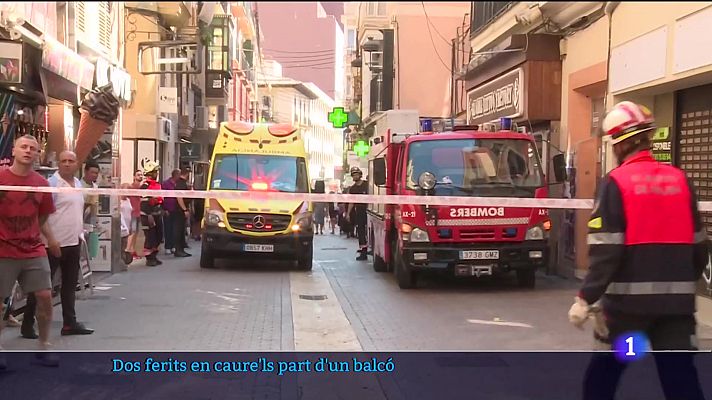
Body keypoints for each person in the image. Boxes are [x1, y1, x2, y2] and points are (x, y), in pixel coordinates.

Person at [568, 101, 707, 399]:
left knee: (603, 378)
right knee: (680, 380)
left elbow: (606, 251)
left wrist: (586, 298)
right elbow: (699, 247)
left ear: (618, 145)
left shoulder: (616, 183)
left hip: (627, 315)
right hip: (676, 313)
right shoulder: (681, 180)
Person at [0, 135, 60, 368]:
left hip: (32, 248)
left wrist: (49, 239)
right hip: (3, 249)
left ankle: (44, 345)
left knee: (45, 297)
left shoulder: (41, 184)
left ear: (37, 154)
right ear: (13, 151)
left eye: (32, 149)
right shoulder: (2, 179)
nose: (27, 151)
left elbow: (43, 216)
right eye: (23, 147)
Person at [23, 150, 94, 338]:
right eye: (64, 161)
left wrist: (80, 233)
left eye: (71, 160)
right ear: (59, 164)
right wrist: (51, 239)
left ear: (77, 163)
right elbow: (42, 215)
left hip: (73, 242)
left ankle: (69, 323)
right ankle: (28, 323)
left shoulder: (78, 183)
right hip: (52, 244)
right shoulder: (52, 184)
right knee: (41, 286)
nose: (67, 164)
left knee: (69, 284)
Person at [140, 161, 164, 267]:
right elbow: (144, 202)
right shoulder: (145, 186)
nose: (157, 174)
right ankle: (149, 258)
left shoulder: (156, 185)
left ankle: (154, 256)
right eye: (155, 172)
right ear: (150, 173)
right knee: (150, 237)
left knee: (158, 236)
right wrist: (149, 215)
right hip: (148, 215)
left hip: (157, 214)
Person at [346, 167, 368, 261]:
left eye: (356, 174)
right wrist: (348, 214)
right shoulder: (353, 189)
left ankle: (369, 247)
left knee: (368, 231)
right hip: (359, 212)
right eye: (353, 175)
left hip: (368, 211)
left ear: (360, 175)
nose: (355, 176)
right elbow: (351, 202)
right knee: (361, 231)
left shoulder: (367, 185)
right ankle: (363, 251)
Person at [171, 167, 191, 257]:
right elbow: (179, 198)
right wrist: (184, 209)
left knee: (181, 230)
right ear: (187, 174)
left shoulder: (181, 183)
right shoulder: (181, 183)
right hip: (179, 211)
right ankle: (178, 250)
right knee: (178, 230)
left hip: (180, 210)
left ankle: (181, 249)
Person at [162, 169, 180, 255]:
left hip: (176, 209)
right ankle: (168, 246)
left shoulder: (178, 184)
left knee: (174, 229)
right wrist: (164, 209)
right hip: (168, 209)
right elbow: (162, 197)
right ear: (175, 175)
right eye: (178, 175)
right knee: (168, 228)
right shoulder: (166, 184)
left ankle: (173, 246)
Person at [126, 169, 143, 259]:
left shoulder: (142, 188)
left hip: (139, 212)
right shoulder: (131, 187)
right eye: (138, 175)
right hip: (132, 212)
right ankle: (128, 251)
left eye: (141, 175)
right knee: (132, 232)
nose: (140, 176)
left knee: (136, 232)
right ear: (134, 176)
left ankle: (133, 250)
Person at [120, 183, 134, 265]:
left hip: (127, 225)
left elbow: (130, 213)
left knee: (124, 245)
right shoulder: (118, 200)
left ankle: (123, 260)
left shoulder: (128, 200)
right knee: (120, 244)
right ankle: (121, 261)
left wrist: (131, 225)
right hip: (121, 226)